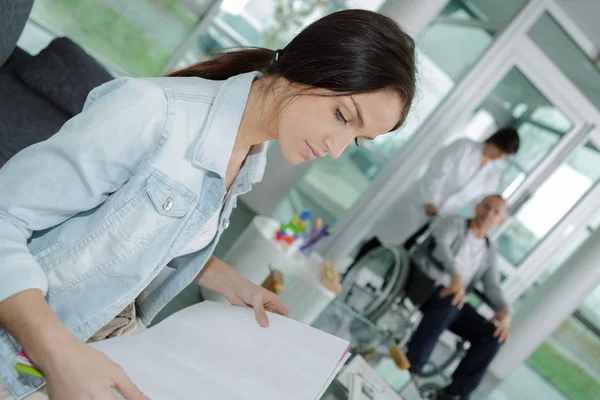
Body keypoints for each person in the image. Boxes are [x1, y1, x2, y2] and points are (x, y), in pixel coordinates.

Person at [0, 10, 416, 400]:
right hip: (30, 351)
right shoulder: (152, 111)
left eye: (358, 140)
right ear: (309, 64)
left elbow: (147, 228)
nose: (337, 149)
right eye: (343, 116)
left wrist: (232, 282)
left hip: (111, 340)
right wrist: (57, 355)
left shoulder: (251, 155)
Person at [350, 128, 520, 267]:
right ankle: (351, 269)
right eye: (501, 151)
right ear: (494, 141)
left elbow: (480, 203)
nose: (501, 157)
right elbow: (437, 172)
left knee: (406, 253)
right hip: (421, 202)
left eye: (505, 155)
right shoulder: (463, 146)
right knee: (384, 237)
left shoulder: (493, 174)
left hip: (443, 217)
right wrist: (430, 201)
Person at [405, 195, 512, 400]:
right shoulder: (455, 223)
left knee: (493, 336)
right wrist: (455, 275)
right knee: (452, 300)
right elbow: (441, 246)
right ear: (477, 207)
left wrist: (506, 311)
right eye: (486, 207)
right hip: (425, 283)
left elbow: (492, 287)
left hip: (452, 301)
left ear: (500, 221)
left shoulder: (489, 251)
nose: (489, 213)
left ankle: (454, 394)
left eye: (496, 212)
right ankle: (411, 367)